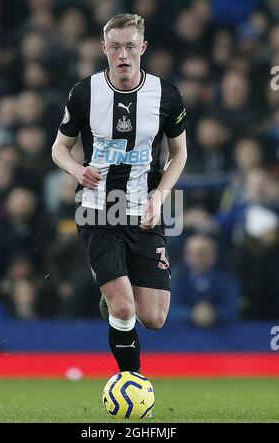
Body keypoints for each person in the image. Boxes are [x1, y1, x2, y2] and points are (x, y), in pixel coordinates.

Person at [52, 14, 187, 373]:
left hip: (145, 209)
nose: (123, 55)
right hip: (98, 209)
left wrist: (160, 196)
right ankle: (132, 380)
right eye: (115, 47)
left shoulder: (167, 95)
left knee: (155, 318)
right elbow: (59, 149)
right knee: (125, 309)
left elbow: (180, 154)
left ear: (142, 47)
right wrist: (78, 170)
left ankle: (109, 296)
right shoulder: (84, 93)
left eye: (130, 47)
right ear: (104, 49)